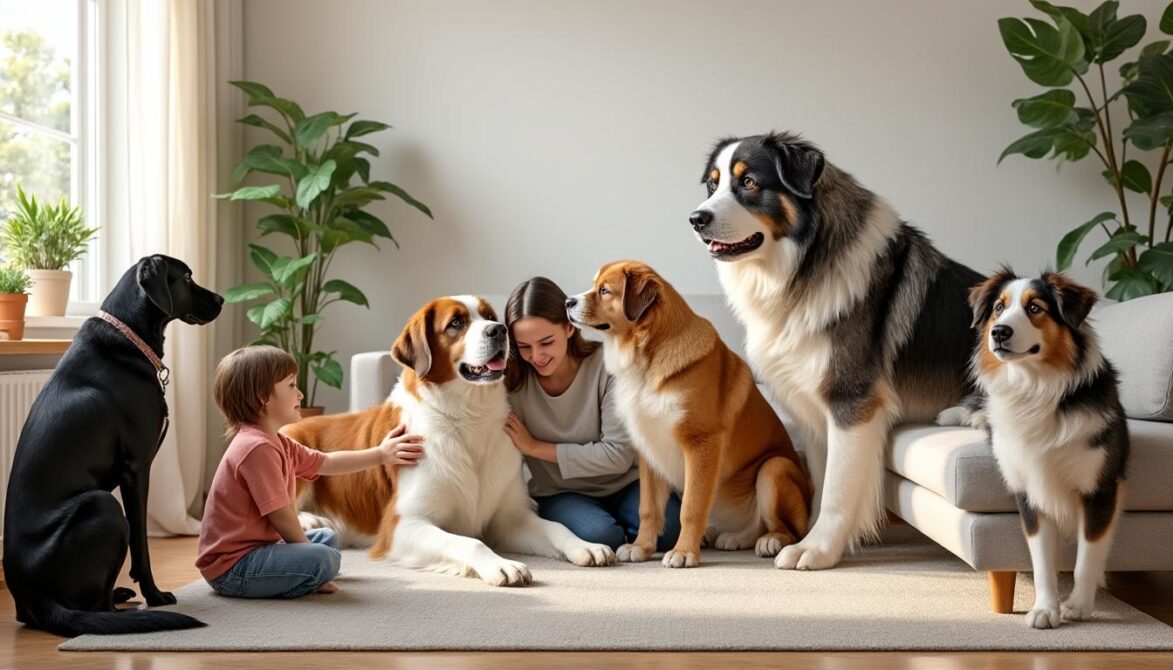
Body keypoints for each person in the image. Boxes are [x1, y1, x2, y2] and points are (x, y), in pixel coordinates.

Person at [197, 345, 424, 598]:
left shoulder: (277, 441)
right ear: (264, 397)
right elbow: (281, 516)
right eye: (292, 386)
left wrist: (380, 454)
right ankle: (308, 577)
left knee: (327, 537)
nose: (301, 394)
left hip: (259, 549)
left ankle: (307, 571)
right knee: (320, 558)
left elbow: (327, 462)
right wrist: (305, 554)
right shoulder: (256, 449)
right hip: (233, 569)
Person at [503, 276, 681, 552]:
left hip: (625, 483)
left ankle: (627, 523)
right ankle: (613, 526)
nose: (536, 356)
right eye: (524, 347)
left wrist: (534, 447)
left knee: (667, 533)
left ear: (569, 328)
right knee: (601, 536)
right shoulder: (510, 384)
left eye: (546, 342)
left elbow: (616, 456)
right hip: (561, 492)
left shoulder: (608, 365)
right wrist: (408, 435)